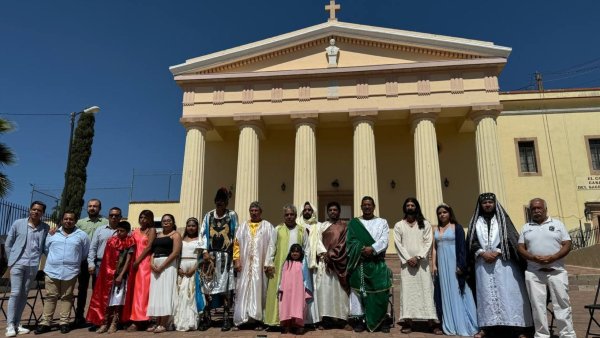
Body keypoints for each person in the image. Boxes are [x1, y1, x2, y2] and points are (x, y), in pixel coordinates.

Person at [466, 192, 533, 338]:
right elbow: (472, 240)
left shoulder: (503, 220)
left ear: (495, 203)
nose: (488, 204)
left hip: (504, 264)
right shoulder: (475, 222)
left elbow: (512, 239)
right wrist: (482, 253)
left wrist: (497, 251)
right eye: (485, 203)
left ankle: (517, 327)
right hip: (482, 265)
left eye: (490, 202)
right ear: (480, 205)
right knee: (486, 296)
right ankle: (487, 327)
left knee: (509, 294)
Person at [518, 198, 576, 338]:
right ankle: (541, 335)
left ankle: (567, 335)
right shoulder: (526, 227)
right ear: (530, 210)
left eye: (539, 208)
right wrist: (532, 258)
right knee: (538, 307)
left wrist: (554, 257)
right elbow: (520, 247)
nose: (537, 211)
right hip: (534, 273)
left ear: (545, 209)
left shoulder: (557, 224)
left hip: (557, 272)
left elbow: (567, 243)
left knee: (562, 305)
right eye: (533, 209)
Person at [35, 211, 90, 334]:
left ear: (75, 221)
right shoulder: (53, 234)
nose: (68, 221)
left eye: (71, 219)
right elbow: (46, 249)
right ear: (62, 220)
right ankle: (45, 322)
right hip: (52, 270)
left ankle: (64, 322)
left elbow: (84, 253)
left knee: (67, 297)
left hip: (70, 272)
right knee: (51, 297)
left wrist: (72, 261)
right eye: (66, 219)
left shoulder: (82, 235)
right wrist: (57, 259)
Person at [394, 197, 439, 334]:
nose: (410, 207)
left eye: (412, 205)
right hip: (407, 266)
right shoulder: (399, 225)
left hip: (422, 265)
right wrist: (408, 258)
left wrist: (418, 257)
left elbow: (428, 242)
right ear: (404, 208)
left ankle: (431, 321)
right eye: (408, 205)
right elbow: (398, 244)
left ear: (416, 207)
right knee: (408, 293)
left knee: (426, 291)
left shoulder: (425, 224)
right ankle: (408, 322)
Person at [346, 196, 392, 333]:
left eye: (369, 205)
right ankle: (360, 320)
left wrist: (372, 249)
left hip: (376, 262)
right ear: (361, 207)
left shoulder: (382, 222)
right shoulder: (354, 223)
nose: (367, 207)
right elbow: (350, 241)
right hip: (360, 263)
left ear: (374, 206)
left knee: (381, 291)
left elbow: (384, 240)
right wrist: (361, 249)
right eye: (364, 205)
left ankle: (382, 320)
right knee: (358, 293)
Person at [4, 201, 50, 337]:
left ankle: (17, 323)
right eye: (34, 209)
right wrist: (11, 261)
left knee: (24, 293)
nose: (36, 212)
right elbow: (8, 244)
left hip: (33, 265)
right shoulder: (18, 223)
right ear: (30, 210)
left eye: (39, 210)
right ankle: (10, 325)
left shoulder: (45, 227)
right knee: (15, 293)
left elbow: (45, 245)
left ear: (42, 213)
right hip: (17, 263)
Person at [432, 203, 478, 336]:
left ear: (450, 213)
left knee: (458, 291)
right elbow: (434, 249)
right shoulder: (436, 228)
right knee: (444, 292)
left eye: (444, 212)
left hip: (454, 264)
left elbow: (462, 248)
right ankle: (449, 323)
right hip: (441, 264)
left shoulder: (456, 228)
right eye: (440, 213)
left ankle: (464, 322)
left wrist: (461, 265)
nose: (442, 215)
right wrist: (434, 265)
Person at [199, 187, 238, 331]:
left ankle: (226, 319)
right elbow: (203, 234)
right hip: (210, 257)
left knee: (226, 289)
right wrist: (204, 252)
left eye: (223, 201)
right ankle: (207, 318)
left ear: (227, 202)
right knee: (208, 288)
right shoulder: (208, 216)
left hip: (226, 257)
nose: (220, 204)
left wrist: (236, 256)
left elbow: (235, 235)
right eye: (218, 201)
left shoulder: (232, 215)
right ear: (215, 202)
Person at [264, 204, 310, 329]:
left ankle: (294, 320)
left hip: (297, 270)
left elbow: (307, 249)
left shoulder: (302, 230)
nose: (289, 217)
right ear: (284, 216)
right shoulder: (278, 229)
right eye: (287, 215)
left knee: (295, 294)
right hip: (279, 268)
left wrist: (305, 267)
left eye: (292, 214)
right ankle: (276, 320)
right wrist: (269, 263)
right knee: (279, 293)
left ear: (295, 215)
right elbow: (271, 247)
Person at [86, 220, 135, 334]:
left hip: (121, 276)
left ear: (127, 232)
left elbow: (128, 261)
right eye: (117, 230)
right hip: (108, 275)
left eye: (122, 231)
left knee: (117, 300)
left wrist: (121, 275)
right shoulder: (111, 241)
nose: (119, 233)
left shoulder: (130, 242)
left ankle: (114, 322)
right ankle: (104, 322)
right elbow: (106, 259)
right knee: (106, 300)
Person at [232, 201, 274, 330]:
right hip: (244, 265)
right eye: (252, 211)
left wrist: (268, 262)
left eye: (256, 211)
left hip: (260, 266)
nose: (254, 213)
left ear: (261, 212)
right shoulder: (242, 227)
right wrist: (237, 260)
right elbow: (236, 244)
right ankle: (242, 319)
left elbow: (272, 246)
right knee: (242, 289)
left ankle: (258, 320)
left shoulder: (268, 226)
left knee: (259, 290)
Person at [312, 201, 349, 329]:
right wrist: (324, 254)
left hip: (339, 263)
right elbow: (317, 240)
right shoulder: (322, 226)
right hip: (324, 262)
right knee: (325, 291)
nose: (333, 212)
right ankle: (325, 319)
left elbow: (344, 243)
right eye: (331, 210)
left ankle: (342, 319)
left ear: (339, 212)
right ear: (327, 212)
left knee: (340, 291)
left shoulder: (344, 226)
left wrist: (331, 255)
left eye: (335, 210)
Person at [86, 206, 122, 331]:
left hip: (118, 267)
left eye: (116, 215)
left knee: (115, 296)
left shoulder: (125, 232)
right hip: (100, 265)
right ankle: (99, 320)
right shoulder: (100, 230)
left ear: (120, 217)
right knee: (99, 295)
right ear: (108, 216)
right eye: (111, 215)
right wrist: (90, 263)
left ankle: (113, 321)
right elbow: (93, 248)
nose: (114, 217)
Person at [74, 198, 108, 326]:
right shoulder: (80, 223)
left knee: (97, 289)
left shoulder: (106, 223)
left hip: (99, 261)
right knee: (82, 289)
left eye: (95, 206)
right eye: (90, 206)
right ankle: (79, 316)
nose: (92, 208)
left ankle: (95, 316)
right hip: (83, 260)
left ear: (99, 208)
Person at [146, 214, 182, 333]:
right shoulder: (157, 235)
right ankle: (156, 322)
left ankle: (163, 323)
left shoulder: (176, 235)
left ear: (173, 222)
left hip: (168, 266)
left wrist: (162, 266)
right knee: (156, 294)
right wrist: (152, 263)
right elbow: (153, 251)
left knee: (166, 293)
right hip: (155, 265)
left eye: (169, 220)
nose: (166, 222)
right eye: (164, 220)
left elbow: (176, 252)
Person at [123, 210, 156, 332]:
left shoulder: (151, 230)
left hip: (144, 263)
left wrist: (138, 260)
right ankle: (134, 318)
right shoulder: (135, 231)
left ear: (150, 219)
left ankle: (143, 319)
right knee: (133, 291)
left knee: (143, 292)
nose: (143, 219)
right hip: (134, 263)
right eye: (141, 217)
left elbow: (149, 247)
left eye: (145, 217)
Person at [173, 217, 201, 332]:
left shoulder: (200, 239)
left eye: (193, 226)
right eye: (189, 225)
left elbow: (201, 257)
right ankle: (179, 321)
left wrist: (194, 269)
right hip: (182, 265)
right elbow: (177, 254)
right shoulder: (181, 239)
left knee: (191, 294)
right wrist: (178, 267)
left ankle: (191, 321)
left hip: (194, 265)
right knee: (181, 293)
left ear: (197, 227)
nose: (191, 228)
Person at [279, 244, 313, 335]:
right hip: (287, 290)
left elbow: (306, 278)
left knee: (298, 306)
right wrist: (281, 287)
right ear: (290, 252)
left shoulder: (303, 263)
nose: (295, 253)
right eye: (293, 251)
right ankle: (287, 325)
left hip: (299, 290)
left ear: (300, 253)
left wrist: (307, 289)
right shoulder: (287, 263)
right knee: (287, 306)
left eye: (297, 252)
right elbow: (282, 276)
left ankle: (299, 326)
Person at [299, 201, 319, 327]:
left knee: (314, 291)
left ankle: (313, 319)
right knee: (301, 290)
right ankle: (301, 317)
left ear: (313, 212)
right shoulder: (297, 225)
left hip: (315, 263)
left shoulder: (318, 225)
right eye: (305, 210)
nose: (307, 212)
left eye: (309, 210)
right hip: (300, 263)